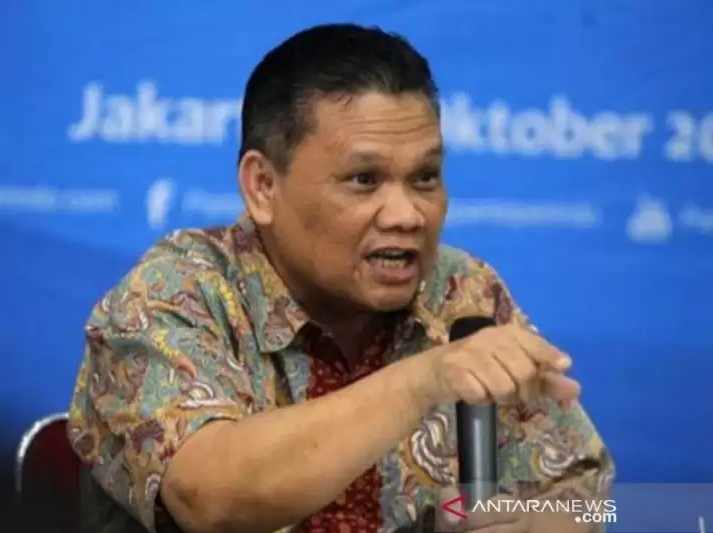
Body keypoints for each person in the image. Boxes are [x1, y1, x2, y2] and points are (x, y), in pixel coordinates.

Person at [67, 23, 614, 533]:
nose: (407, 214)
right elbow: (206, 495)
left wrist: (530, 522)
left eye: (425, 177)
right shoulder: (176, 292)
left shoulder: (461, 292)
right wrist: (425, 380)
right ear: (263, 187)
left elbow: (590, 500)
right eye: (364, 179)